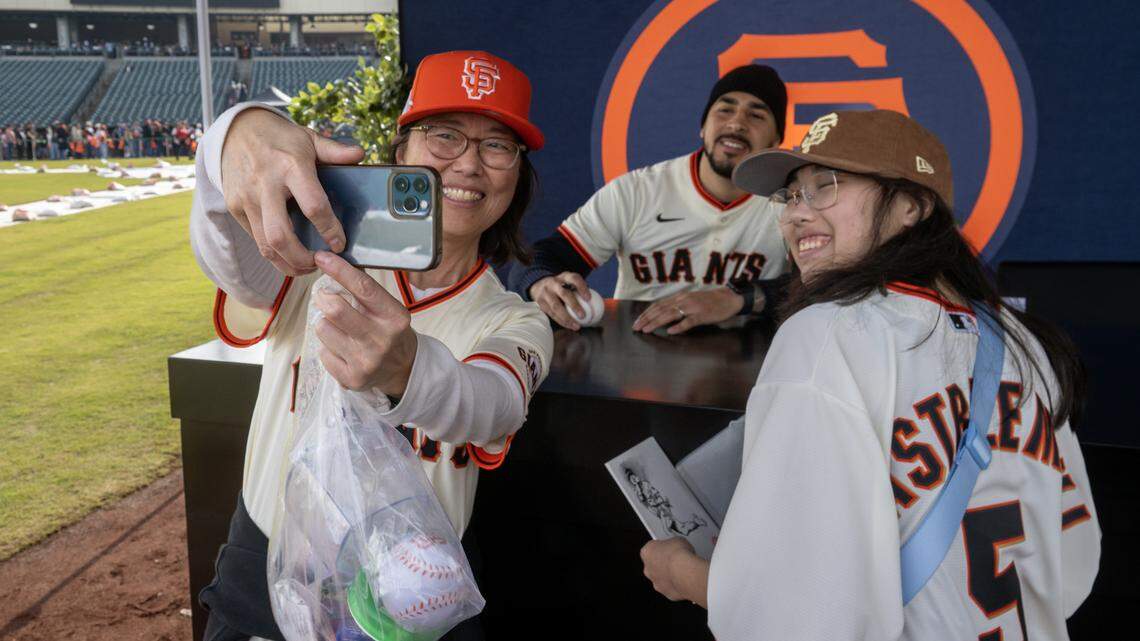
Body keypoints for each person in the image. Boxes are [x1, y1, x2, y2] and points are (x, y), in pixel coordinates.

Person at [637, 110, 1100, 640]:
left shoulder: (828, 332)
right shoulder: (1022, 339)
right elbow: (1074, 568)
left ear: (911, 205)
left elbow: (794, 624)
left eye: (824, 186)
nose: (795, 214)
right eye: (790, 196)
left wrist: (683, 574)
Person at [189, 50, 553, 641]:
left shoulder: (514, 319)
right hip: (269, 567)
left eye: (497, 145)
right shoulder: (314, 250)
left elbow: (494, 402)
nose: (468, 164)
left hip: (417, 598)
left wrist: (408, 371)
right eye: (444, 135)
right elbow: (233, 265)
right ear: (401, 151)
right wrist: (227, 141)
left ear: (518, 174)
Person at [508, 64, 791, 334]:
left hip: (742, 368)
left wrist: (738, 298)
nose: (736, 123)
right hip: (638, 354)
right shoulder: (638, 192)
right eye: (724, 110)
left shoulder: (789, 204)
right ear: (703, 127)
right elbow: (539, 260)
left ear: (776, 139)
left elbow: (817, 286)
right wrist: (541, 283)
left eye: (756, 115)